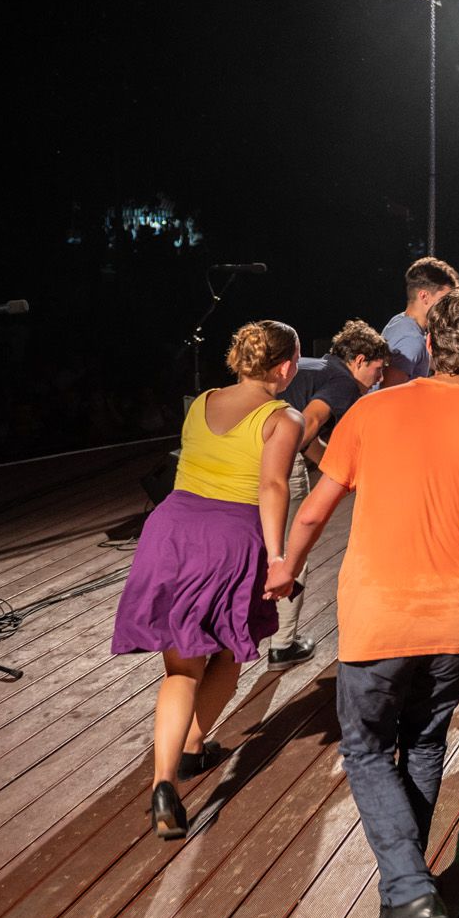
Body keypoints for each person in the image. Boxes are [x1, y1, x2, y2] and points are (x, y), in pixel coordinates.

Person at [278, 286, 459, 918]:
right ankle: (403, 906)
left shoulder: (372, 410)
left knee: (367, 748)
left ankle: (410, 890)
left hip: (380, 616)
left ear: (428, 343)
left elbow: (313, 511)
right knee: (423, 743)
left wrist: (285, 568)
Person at [111, 321, 304, 840]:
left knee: (181, 667)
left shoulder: (201, 401)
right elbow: (272, 486)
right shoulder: (282, 418)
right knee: (227, 652)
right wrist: (278, 557)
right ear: (286, 366)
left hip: (171, 532)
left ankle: (165, 780)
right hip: (229, 538)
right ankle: (195, 744)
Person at [268, 319, 390, 667]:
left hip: (250, 457)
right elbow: (307, 425)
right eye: (378, 369)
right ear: (359, 360)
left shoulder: (313, 368)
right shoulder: (343, 382)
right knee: (292, 550)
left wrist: (341, 473)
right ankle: (282, 644)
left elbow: (309, 439)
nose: (379, 379)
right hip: (280, 464)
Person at [382, 256, 459, 386]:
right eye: (445, 300)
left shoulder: (400, 321)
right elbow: (387, 392)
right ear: (424, 296)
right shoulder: (411, 339)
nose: (449, 307)